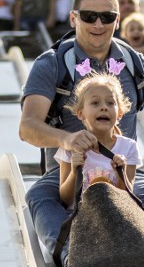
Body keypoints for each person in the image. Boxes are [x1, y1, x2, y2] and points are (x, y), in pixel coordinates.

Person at [19, 0, 144, 267]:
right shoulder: (52, 64)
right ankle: (72, 256)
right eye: (89, 16)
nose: (98, 24)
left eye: (107, 17)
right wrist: (67, 140)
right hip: (69, 171)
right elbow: (28, 127)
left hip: (121, 168)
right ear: (73, 18)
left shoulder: (134, 63)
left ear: (118, 21)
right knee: (39, 196)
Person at [55, 73, 139, 206]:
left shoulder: (128, 147)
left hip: (114, 216)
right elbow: (65, 199)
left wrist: (120, 173)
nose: (104, 107)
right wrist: (74, 172)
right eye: (95, 103)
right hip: (82, 218)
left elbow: (129, 200)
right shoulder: (71, 147)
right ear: (80, 113)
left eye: (110, 103)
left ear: (120, 114)